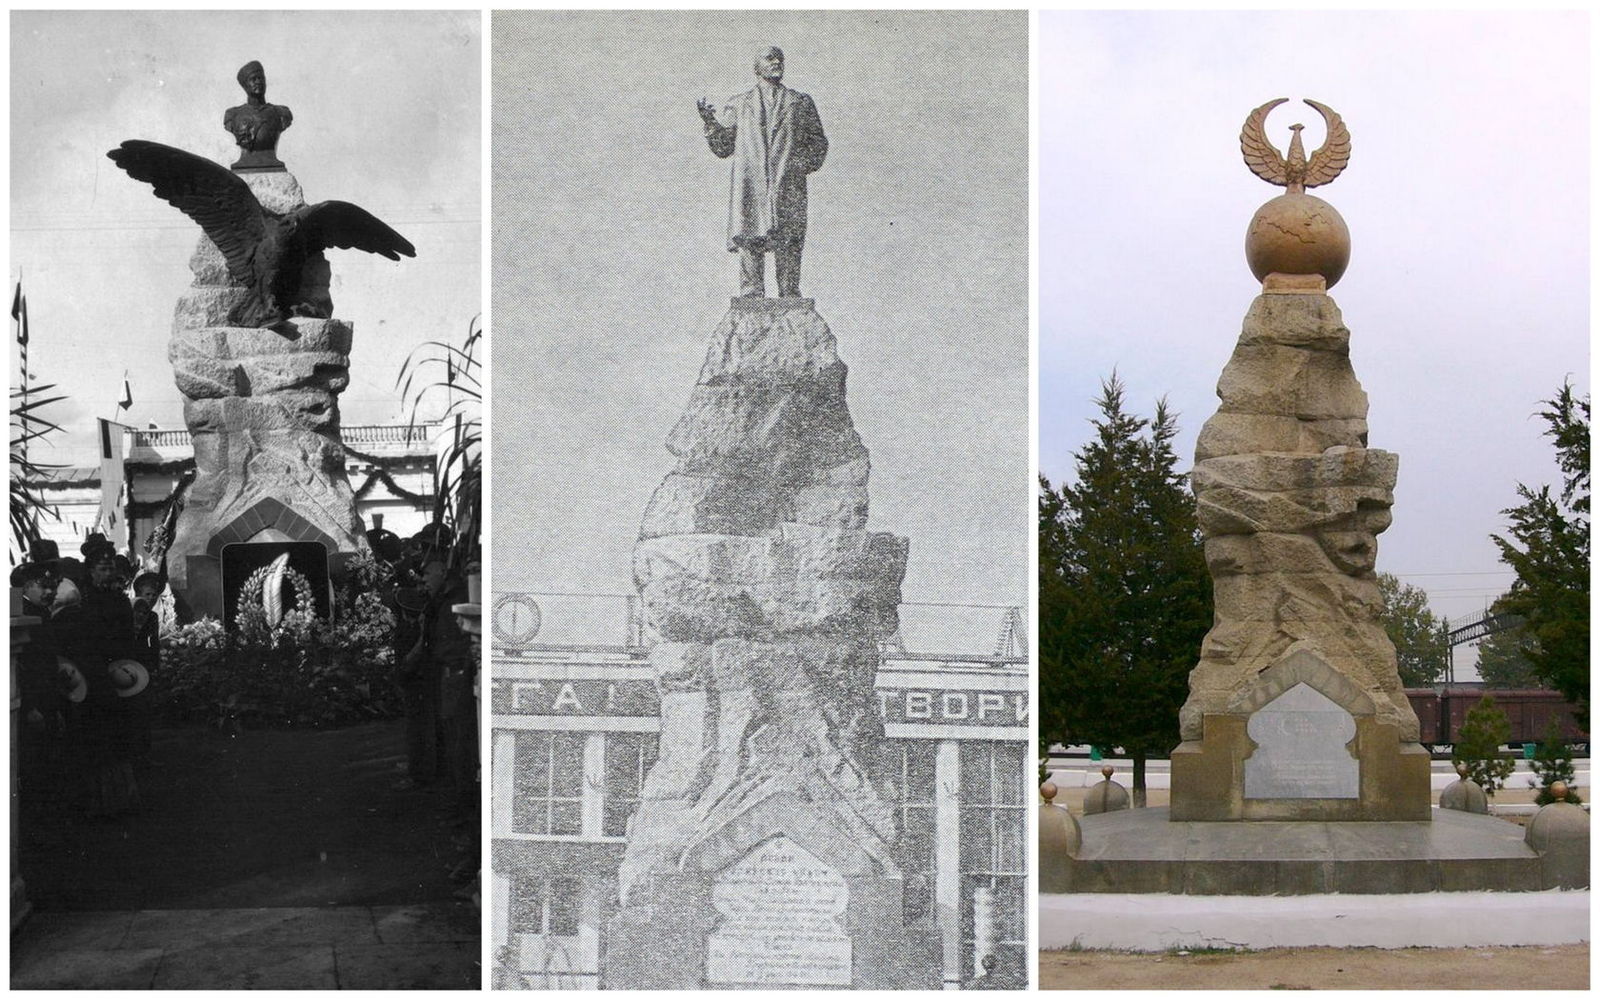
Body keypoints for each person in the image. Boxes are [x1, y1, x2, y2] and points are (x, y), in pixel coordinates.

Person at [698, 46, 828, 298]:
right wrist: (711, 125)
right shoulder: (739, 104)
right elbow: (724, 147)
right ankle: (751, 293)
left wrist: (799, 164)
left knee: (789, 238)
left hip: (788, 182)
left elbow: (818, 143)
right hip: (751, 182)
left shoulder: (800, 102)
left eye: (780, 58)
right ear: (756, 67)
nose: (777, 62)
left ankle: (789, 292)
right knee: (750, 237)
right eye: (770, 58)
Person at [68, 548, 142, 818]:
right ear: (91, 571)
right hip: (94, 671)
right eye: (103, 569)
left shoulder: (121, 600)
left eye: (111, 568)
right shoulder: (84, 602)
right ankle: (101, 799)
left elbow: (127, 635)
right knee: (99, 736)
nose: (108, 573)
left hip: (121, 669)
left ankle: (123, 796)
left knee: (121, 733)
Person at [420, 556, 476, 825]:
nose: (424, 579)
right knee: (452, 740)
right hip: (449, 675)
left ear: (442, 570)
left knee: (459, 744)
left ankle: (461, 809)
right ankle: (456, 803)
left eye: (427, 573)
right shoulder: (446, 596)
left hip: (457, 676)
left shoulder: (457, 597)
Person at [223, 60, 293, 170]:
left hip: (272, 162)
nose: (258, 82)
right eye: (253, 79)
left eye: (261, 78)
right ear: (245, 85)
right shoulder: (233, 114)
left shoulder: (281, 113)